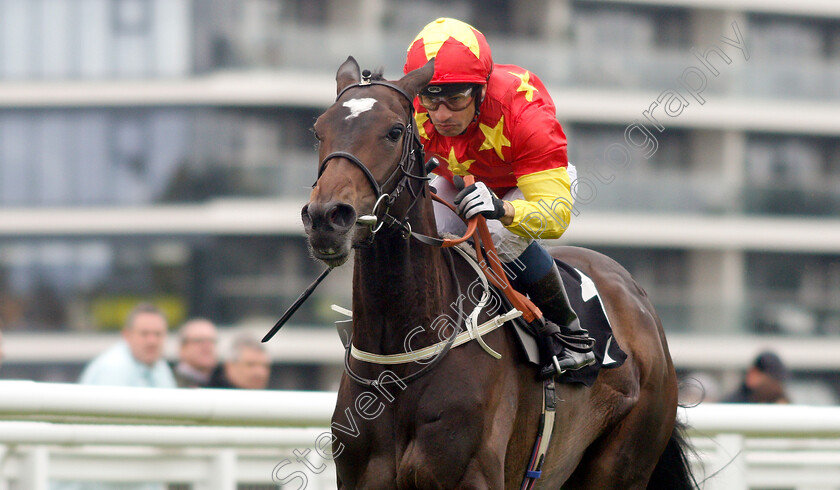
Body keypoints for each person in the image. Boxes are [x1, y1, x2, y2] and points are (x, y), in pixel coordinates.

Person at [403, 18, 595, 377]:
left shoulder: (526, 115)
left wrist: (502, 208)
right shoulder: (413, 108)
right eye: (431, 97)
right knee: (420, 239)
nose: (441, 115)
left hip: (525, 186)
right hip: (461, 178)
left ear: (481, 89)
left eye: (456, 98)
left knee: (498, 243)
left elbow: (556, 215)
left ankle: (573, 336)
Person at [78, 303, 176, 388]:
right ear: (127, 335)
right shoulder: (113, 368)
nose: (152, 341)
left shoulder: (160, 366)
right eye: (144, 334)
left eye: (158, 334)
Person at [723, 350, 790, 404]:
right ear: (753, 373)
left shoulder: (781, 402)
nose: (775, 387)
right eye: (770, 380)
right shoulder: (731, 405)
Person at [173, 318, 219, 388]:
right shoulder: (169, 382)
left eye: (211, 341)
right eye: (199, 340)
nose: (207, 346)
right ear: (182, 348)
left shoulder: (221, 381)